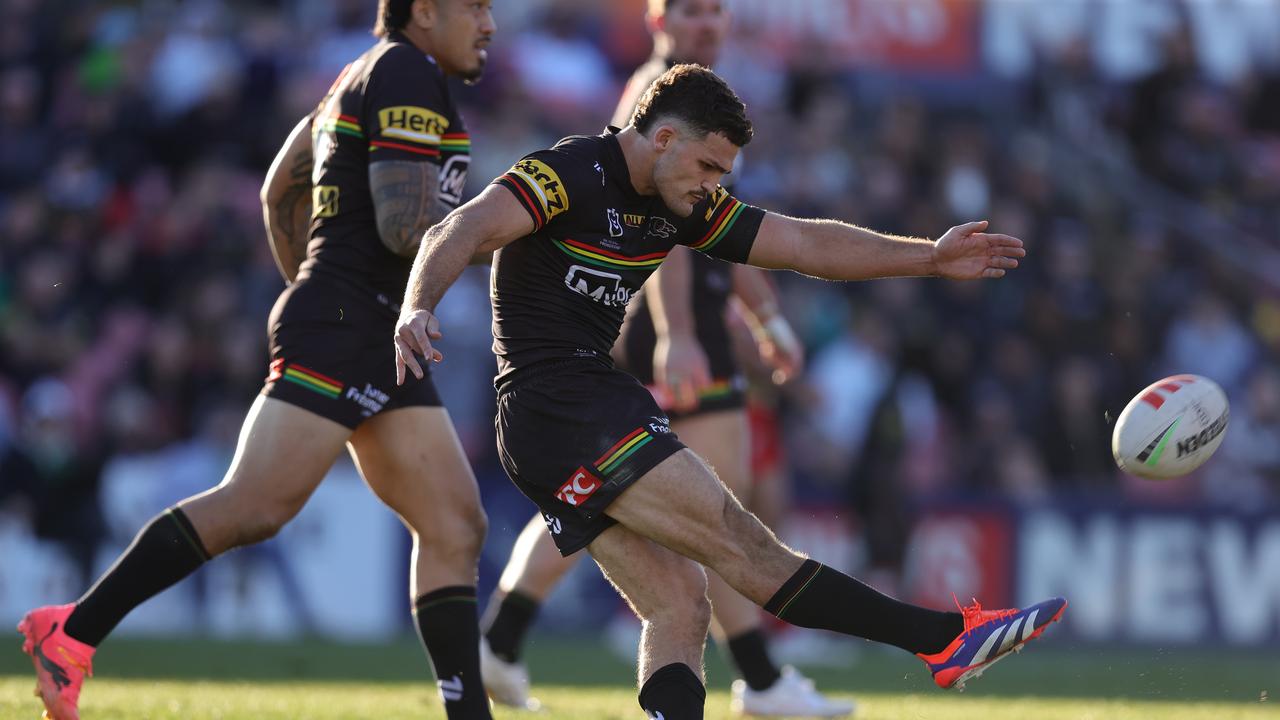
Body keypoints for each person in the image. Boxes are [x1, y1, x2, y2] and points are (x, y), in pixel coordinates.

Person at [394, 64, 1067, 720]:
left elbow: (803, 244)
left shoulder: (680, 202)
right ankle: (944, 639)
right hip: (565, 403)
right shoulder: (567, 173)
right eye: (708, 168)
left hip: (557, 421)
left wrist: (929, 257)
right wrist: (417, 306)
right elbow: (461, 228)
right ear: (663, 139)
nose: (715, 185)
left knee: (681, 602)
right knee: (740, 543)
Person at [18, 2, 497, 719]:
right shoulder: (405, 72)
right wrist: (508, 229)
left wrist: (312, 282)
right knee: (254, 506)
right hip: (346, 323)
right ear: (424, 11)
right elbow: (403, 227)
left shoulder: (358, 76)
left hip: (366, 325)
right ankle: (71, 633)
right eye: (476, 6)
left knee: (456, 524)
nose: (489, 23)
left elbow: (281, 190)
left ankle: (470, 714)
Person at [476, 1, 852, 716]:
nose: (709, 25)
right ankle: (763, 680)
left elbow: (729, 229)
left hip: (697, 323)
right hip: (671, 332)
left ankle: (502, 637)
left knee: (628, 502)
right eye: (692, 11)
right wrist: (677, 330)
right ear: (657, 20)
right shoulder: (656, 98)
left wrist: (764, 311)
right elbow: (657, 230)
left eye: (718, 12)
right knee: (711, 515)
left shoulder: (711, 108)